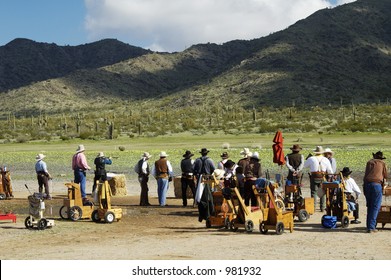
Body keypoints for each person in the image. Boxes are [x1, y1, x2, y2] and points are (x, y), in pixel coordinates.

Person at [363, 151, 388, 233]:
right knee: (375, 206)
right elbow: (385, 176)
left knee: (370, 206)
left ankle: (369, 226)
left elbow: (366, 175)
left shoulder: (369, 162)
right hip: (376, 185)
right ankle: (371, 227)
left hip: (367, 184)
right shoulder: (382, 163)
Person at [303, 146, 333, 212]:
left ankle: (313, 207)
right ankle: (322, 207)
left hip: (314, 177)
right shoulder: (326, 159)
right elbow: (330, 171)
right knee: (322, 192)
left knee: (313, 192)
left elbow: (304, 166)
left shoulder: (311, 158)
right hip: (323, 177)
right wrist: (330, 178)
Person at [194, 148, 216, 222]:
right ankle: (208, 213)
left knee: (199, 196)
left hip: (200, 179)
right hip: (207, 179)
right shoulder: (210, 160)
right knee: (208, 197)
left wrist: (197, 174)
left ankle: (201, 214)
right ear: (207, 153)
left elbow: (193, 169)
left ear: (201, 153)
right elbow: (214, 170)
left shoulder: (197, 160)